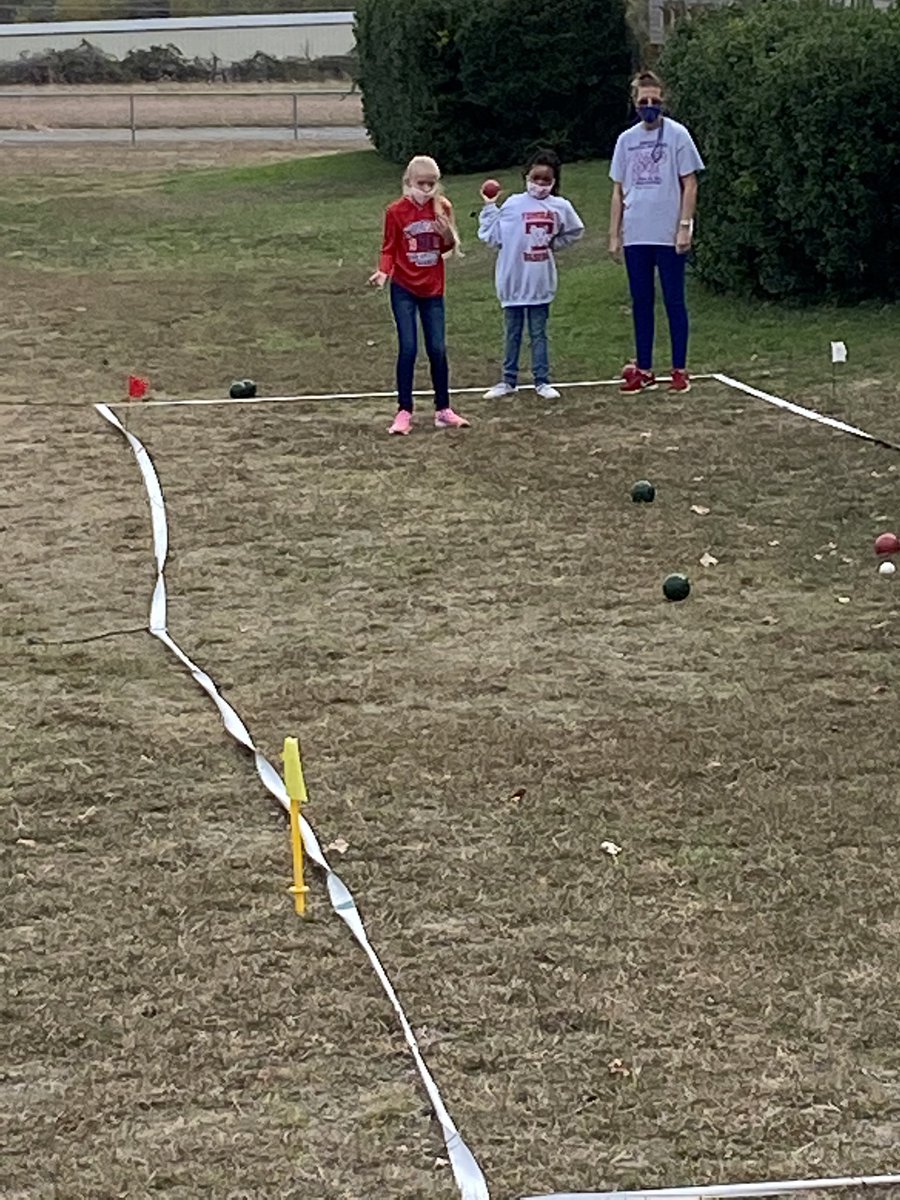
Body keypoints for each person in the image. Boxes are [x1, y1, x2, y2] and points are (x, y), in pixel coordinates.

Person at [608, 70, 704, 394]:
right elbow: (618, 189)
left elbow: (689, 182)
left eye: (655, 101)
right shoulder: (626, 141)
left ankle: (679, 368)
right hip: (637, 233)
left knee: (674, 300)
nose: (649, 106)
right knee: (642, 301)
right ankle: (644, 369)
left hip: (668, 232)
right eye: (643, 100)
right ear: (635, 103)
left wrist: (685, 226)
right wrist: (614, 234)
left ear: (663, 101)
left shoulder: (678, 135)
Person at [368, 155, 470, 435]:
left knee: (437, 348)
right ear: (408, 183)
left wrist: (446, 234)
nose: (425, 190)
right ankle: (404, 411)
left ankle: (443, 409)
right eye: (420, 184)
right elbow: (389, 247)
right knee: (409, 347)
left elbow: (448, 250)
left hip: (433, 289)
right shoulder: (395, 212)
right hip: (404, 289)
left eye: (431, 184)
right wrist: (383, 272)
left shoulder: (443, 208)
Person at [478, 148, 585, 401]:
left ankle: (542, 379)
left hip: (539, 280)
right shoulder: (514, 204)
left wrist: (553, 245)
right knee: (512, 331)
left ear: (554, 181)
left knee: (538, 332)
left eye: (546, 180)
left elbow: (574, 230)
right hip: (513, 279)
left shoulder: (560, 206)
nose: (540, 184)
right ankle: (508, 379)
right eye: (535, 178)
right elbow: (494, 236)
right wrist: (490, 207)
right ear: (526, 176)